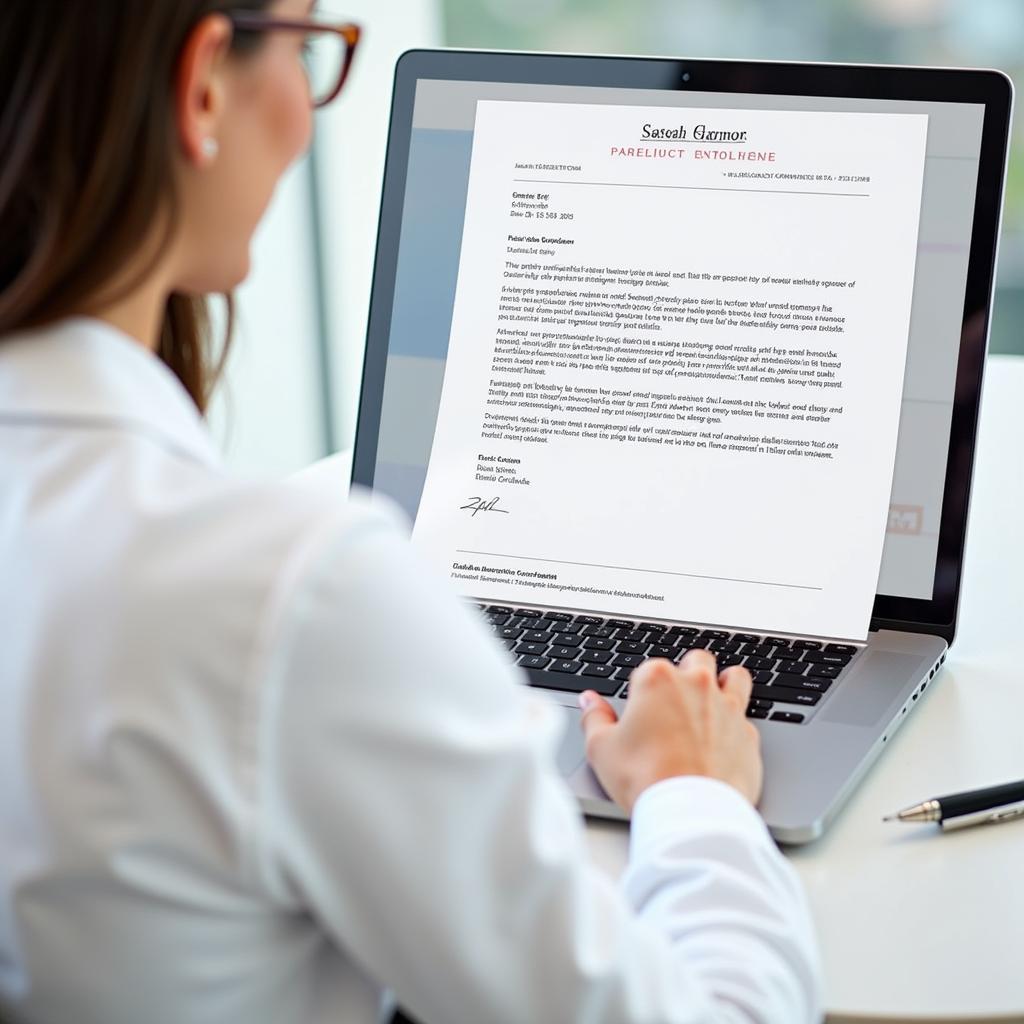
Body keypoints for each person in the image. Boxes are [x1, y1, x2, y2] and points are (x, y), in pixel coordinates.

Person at [0, 2, 822, 1022]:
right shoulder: (288, 596)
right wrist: (690, 796)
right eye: (306, 50)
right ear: (205, 80)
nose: (305, 109)